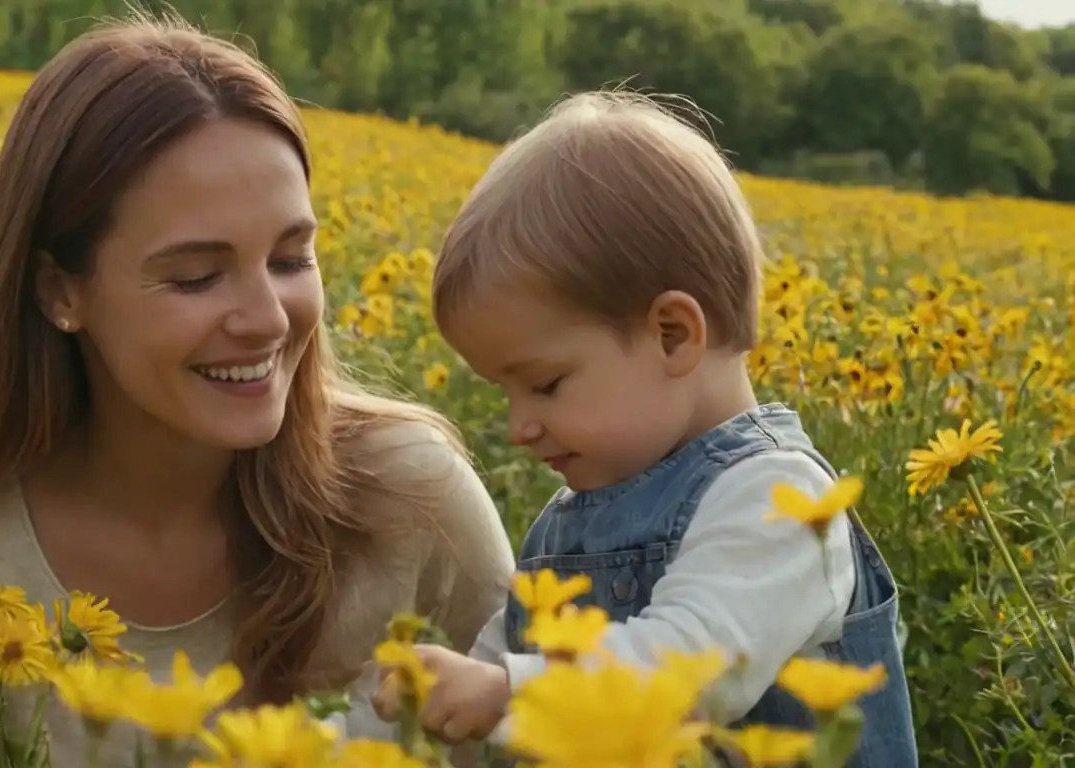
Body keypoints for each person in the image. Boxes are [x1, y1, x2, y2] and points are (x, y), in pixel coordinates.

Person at [0, 13, 514, 768]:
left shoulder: (411, 496)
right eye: (197, 276)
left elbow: (562, 728)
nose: (267, 320)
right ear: (58, 291)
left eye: (292, 259)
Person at [372, 91, 918, 767]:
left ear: (672, 334)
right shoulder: (568, 521)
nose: (518, 427)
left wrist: (505, 693)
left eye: (544, 385)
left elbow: (686, 671)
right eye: (504, 393)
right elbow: (487, 671)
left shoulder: (783, 504)